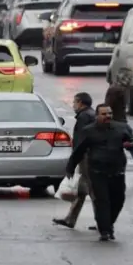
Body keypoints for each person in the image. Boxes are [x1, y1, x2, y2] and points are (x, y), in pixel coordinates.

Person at [65, 104, 133, 241]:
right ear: (97, 116)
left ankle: (109, 224)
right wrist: (70, 167)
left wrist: (130, 144)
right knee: (102, 201)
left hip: (117, 171)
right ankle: (105, 230)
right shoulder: (89, 131)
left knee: (118, 200)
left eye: (109, 113)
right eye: (104, 114)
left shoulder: (121, 128)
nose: (107, 116)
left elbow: (131, 142)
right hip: (97, 172)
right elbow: (79, 151)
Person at [53, 92, 96, 229]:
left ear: (81, 103)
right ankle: (70, 219)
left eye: (74, 102)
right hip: (90, 156)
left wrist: (73, 162)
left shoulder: (84, 117)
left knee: (92, 189)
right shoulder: (91, 114)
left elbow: (81, 142)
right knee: (82, 190)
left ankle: (102, 220)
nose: (73, 105)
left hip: (86, 158)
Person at [104, 71, 133, 181]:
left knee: (127, 147)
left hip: (117, 122)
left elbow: (108, 106)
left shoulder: (116, 89)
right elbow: (109, 107)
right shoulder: (121, 89)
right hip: (120, 123)